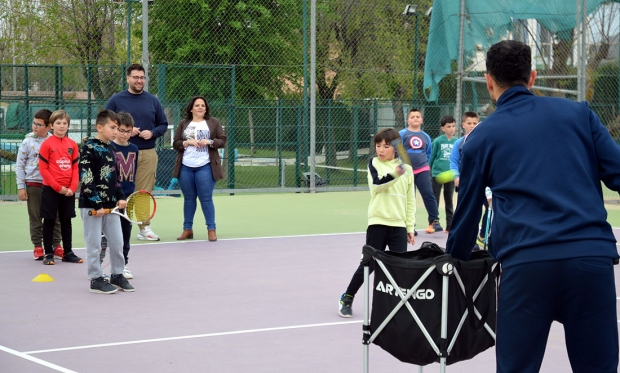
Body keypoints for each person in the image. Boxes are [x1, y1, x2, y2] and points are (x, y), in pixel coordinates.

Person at [446, 40, 620, 373]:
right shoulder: (579, 114)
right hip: (590, 260)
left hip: (526, 265)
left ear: (489, 82)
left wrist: (455, 256)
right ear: (533, 77)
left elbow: (468, 215)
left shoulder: (480, 138)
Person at [339, 128, 416, 318]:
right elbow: (378, 185)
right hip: (378, 222)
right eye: (378, 145)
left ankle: (398, 305)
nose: (381, 150)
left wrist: (410, 226)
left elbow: (410, 199)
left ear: (396, 149)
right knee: (369, 264)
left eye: (386, 146)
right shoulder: (373, 163)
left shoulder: (407, 170)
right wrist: (396, 173)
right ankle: (347, 297)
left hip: (398, 225)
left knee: (399, 267)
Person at [105, 63, 168, 241]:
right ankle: (112, 229)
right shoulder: (116, 100)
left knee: (143, 192)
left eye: (142, 77)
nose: (139, 81)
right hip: (120, 153)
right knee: (116, 189)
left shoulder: (153, 100)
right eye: (135, 77)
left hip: (147, 153)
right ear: (128, 78)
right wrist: (123, 130)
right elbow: (105, 123)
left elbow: (163, 124)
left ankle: (144, 228)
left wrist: (153, 132)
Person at [79, 110, 134, 294]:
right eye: (113, 127)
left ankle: (117, 275)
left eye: (117, 128)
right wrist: (97, 204)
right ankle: (95, 279)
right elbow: (86, 178)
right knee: (94, 245)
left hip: (111, 207)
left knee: (117, 243)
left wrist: (120, 197)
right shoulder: (89, 148)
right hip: (92, 207)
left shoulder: (111, 149)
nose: (116, 131)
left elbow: (115, 178)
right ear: (100, 127)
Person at [172, 96, 227, 242]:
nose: (200, 108)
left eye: (203, 105)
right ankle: (187, 229)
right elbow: (176, 142)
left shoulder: (213, 122)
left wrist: (210, 141)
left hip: (206, 166)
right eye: (197, 105)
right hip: (186, 167)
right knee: (189, 199)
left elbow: (222, 140)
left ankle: (211, 229)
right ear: (191, 108)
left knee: (206, 198)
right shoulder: (184, 123)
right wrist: (186, 142)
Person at [16, 109, 63, 260]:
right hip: (33, 184)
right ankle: (37, 246)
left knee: (54, 216)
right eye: (34, 123)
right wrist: (21, 187)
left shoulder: (54, 141)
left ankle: (57, 245)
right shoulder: (27, 141)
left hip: (51, 185)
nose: (35, 127)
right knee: (35, 216)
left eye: (39, 124)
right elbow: (20, 165)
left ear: (49, 126)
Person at [37, 110, 83, 265]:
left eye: (64, 123)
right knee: (49, 220)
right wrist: (57, 187)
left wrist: (72, 187)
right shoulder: (46, 144)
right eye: (58, 123)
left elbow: (75, 168)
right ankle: (48, 253)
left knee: (66, 220)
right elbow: (43, 169)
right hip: (51, 189)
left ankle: (68, 252)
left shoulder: (72, 145)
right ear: (51, 126)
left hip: (68, 191)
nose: (62, 126)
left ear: (68, 126)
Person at [100, 112, 139, 279]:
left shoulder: (134, 149)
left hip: (128, 199)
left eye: (128, 131)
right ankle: (98, 265)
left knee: (125, 233)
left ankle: (123, 265)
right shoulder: (109, 148)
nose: (124, 134)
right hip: (110, 198)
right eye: (121, 130)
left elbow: (133, 172)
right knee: (104, 235)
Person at [399, 109, 442, 233]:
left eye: (418, 116)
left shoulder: (426, 136)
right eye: (412, 117)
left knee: (428, 194)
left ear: (422, 120)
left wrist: (424, 164)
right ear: (408, 120)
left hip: (422, 170)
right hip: (406, 171)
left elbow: (428, 153)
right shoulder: (402, 134)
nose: (415, 118)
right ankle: (410, 225)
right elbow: (398, 150)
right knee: (409, 197)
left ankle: (434, 221)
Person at [449, 111, 488, 245]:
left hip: (484, 182)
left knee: (490, 208)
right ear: (463, 125)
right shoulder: (459, 143)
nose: (472, 126)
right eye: (469, 123)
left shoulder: (484, 142)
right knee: (467, 212)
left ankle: (483, 236)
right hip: (466, 183)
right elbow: (454, 162)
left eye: (475, 123)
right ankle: (467, 242)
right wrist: (456, 177)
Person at [429, 115, 457, 233]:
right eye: (448, 126)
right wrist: (429, 171)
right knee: (434, 199)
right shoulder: (437, 141)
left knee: (449, 200)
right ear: (443, 128)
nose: (451, 129)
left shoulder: (457, 142)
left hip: (450, 176)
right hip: (437, 174)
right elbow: (432, 157)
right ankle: (433, 222)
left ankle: (450, 225)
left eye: (453, 126)